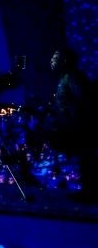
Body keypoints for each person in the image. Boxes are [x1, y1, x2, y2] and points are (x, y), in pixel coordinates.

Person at [49, 46, 96, 195]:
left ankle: (91, 192)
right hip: (75, 125)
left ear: (64, 61)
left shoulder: (73, 77)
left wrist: (77, 121)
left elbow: (84, 101)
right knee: (84, 159)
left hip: (81, 126)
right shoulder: (65, 77)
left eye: (55, 58)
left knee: (86, 158)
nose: (51, 61)